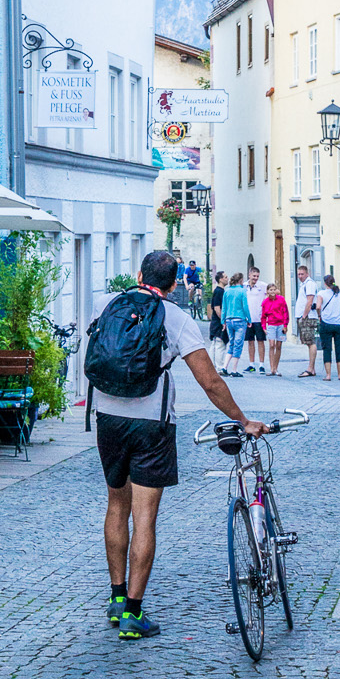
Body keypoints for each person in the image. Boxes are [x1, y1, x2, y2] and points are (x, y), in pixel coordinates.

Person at [92, 249, 265, 640]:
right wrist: (242, 420)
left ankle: (117, 598)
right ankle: (133, 615)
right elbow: (210, 382)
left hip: (108, 418)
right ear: (174, 285)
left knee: (116, 506)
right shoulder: (176, 318)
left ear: (138, 274)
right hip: (151, 424)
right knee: (145, 518)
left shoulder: (107, 305)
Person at [315, 271, 340, 382]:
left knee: (327, 349)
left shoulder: (321, 294)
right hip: (339, 324)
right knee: (339, 349)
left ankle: (328, 375)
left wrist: (320, 316)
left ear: (325, 283)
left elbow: (318, 306)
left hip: (326, 324)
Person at [221, 271, 249, 376]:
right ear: (241, 280)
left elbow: (224, 307)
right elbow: (245, 307)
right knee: (238, 345)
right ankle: (234, 370)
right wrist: (249, 319)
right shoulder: (242, 291)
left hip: (229, 319)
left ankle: (224, 367)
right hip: (240, 319)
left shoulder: (227, 291)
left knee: (231, 344)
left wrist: (222, 320)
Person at [294, 264, 319, 377]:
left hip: (308, 317)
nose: (300, 276)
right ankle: (311, 368)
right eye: (298, 274)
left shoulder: (309, 284)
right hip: (304, 316)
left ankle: (310, 368)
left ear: (307, 274)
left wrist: (304, 315)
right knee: (308, 342)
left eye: (302, 274)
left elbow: (310, 301)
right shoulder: (303, 284)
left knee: (310, 342)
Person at [262, 282, 289, 374]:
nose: (272, 292)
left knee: (279, 345)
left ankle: (276, 368)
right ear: (267, 291)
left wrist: (285, 325)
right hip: (271, 325)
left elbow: (285, 312)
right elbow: (263, 316)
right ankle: (272, 368)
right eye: (270, 290)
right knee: (271, 345)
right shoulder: (265, 302)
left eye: (274, 289)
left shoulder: (281, 299)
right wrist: (263, 327)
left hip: (280, 325)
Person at [244, 268, 266, 372]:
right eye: (254, 276)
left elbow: (275, 291)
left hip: (259, 318)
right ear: (249, 275)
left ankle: (261, 364)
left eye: (257, 276)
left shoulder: (263, 286)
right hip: (248, 319)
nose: (256, 278)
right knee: (250, 341)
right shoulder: (244, 286)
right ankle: (251, 364)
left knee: (261, 341)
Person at [208, 269, 228, 369]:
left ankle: (212, 365)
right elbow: (217, 308)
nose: (227, 279)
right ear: (220, 280)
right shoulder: (219, 292)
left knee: (215, 343)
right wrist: (223, 320)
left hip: (216, 321)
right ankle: (220, 366)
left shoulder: (219, 291)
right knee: (220, 343)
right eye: (225, 277)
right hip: (218, 322)